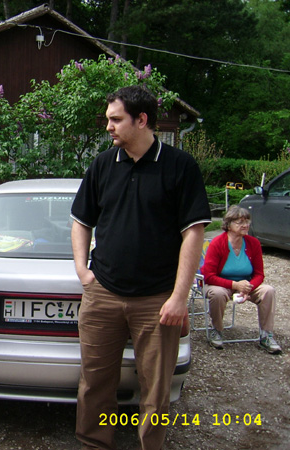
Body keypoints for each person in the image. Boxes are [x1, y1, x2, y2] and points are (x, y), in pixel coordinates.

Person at [70, 85, 211, 450]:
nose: (108, 127)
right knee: (94, 382)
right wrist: (83, 270)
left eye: (116, 120)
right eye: (108, 120)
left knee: (156, 389)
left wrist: (179, 297)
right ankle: (94, 443)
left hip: (157, 299)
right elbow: (81, 221)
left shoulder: (180, 167)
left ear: (142, 119)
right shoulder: (103, 165)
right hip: (103, 293)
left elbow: (193, 234)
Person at [201, 205, 281, 354]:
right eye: (240, 222)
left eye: (247, 221)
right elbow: (209, 276)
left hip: (245, 284)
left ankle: (266, 335)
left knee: (268, 290)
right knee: (217, 294)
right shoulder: (217, 243)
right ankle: (216, 330)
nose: (245, 225)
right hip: (220, 283)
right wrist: (235, 285)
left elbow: (259, 274)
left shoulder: (253, 243)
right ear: (228, 225)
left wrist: (247, 288)